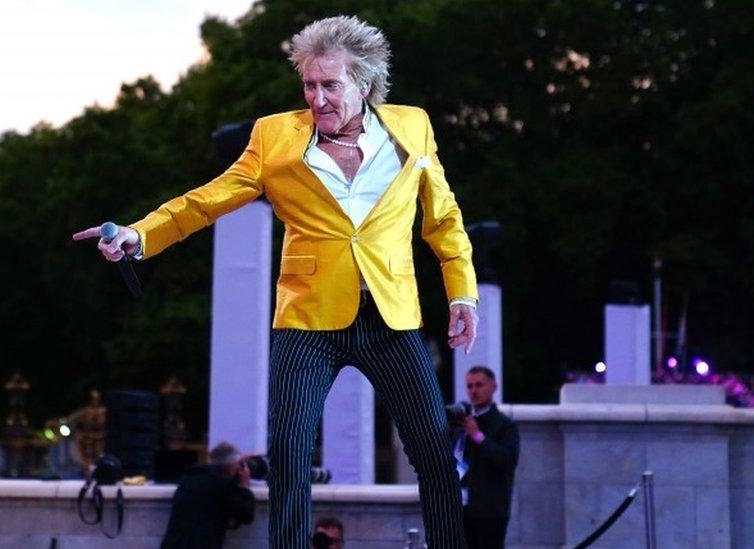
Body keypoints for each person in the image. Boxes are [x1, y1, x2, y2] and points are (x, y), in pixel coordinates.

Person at [74, 15, 479, 548]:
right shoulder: (274, 137)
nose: (317, 98)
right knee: (287, 454)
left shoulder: (413, 127)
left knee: (432, 448)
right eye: (309, 85)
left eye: (329, 85)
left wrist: (462, 292)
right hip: (307, 320)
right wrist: (140, 233)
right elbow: (207, 199)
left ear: (363, 84)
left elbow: (443, 219)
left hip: (391, 315)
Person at [452, 366, 520, 549]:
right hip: (460, 509)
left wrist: (478, 436)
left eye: (479, 385)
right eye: (470, 386)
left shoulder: (505, 426)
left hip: (490, 511)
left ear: (493, 387)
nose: (473, 391)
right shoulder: (461, 423)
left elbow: (507, 461)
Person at [159, 442, 255, 549]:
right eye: (239, 465)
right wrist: (244, 485)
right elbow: (246, 514)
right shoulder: (222, 483)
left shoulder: (189, 478)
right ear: (232, 467)